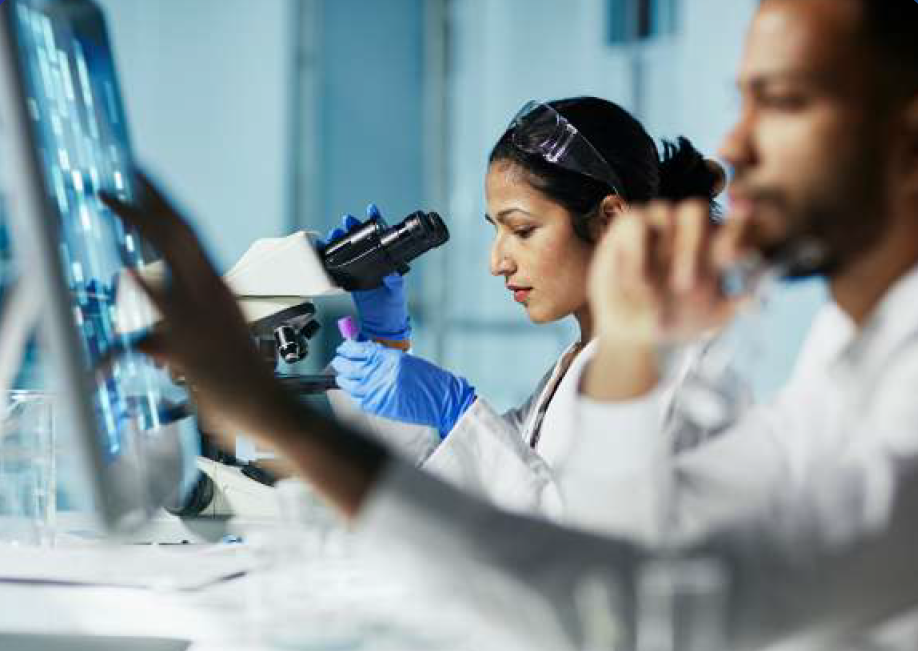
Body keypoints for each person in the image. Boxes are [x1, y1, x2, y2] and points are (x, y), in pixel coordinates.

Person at [100, 0, 918, 647]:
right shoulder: (842, 355)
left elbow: (609, 604)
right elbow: (608, 554)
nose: (736, 141)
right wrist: (391, 356)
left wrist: (274, 409)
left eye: (781, 101)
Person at [322, 97, 729, 518]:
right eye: (497, 230)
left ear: (609, 220)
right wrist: (387, 343)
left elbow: (573, 544)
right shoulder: (579, 365)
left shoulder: (661, 368)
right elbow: (466, 496)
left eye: (522, 230)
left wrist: (458, 411)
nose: (497, 262)